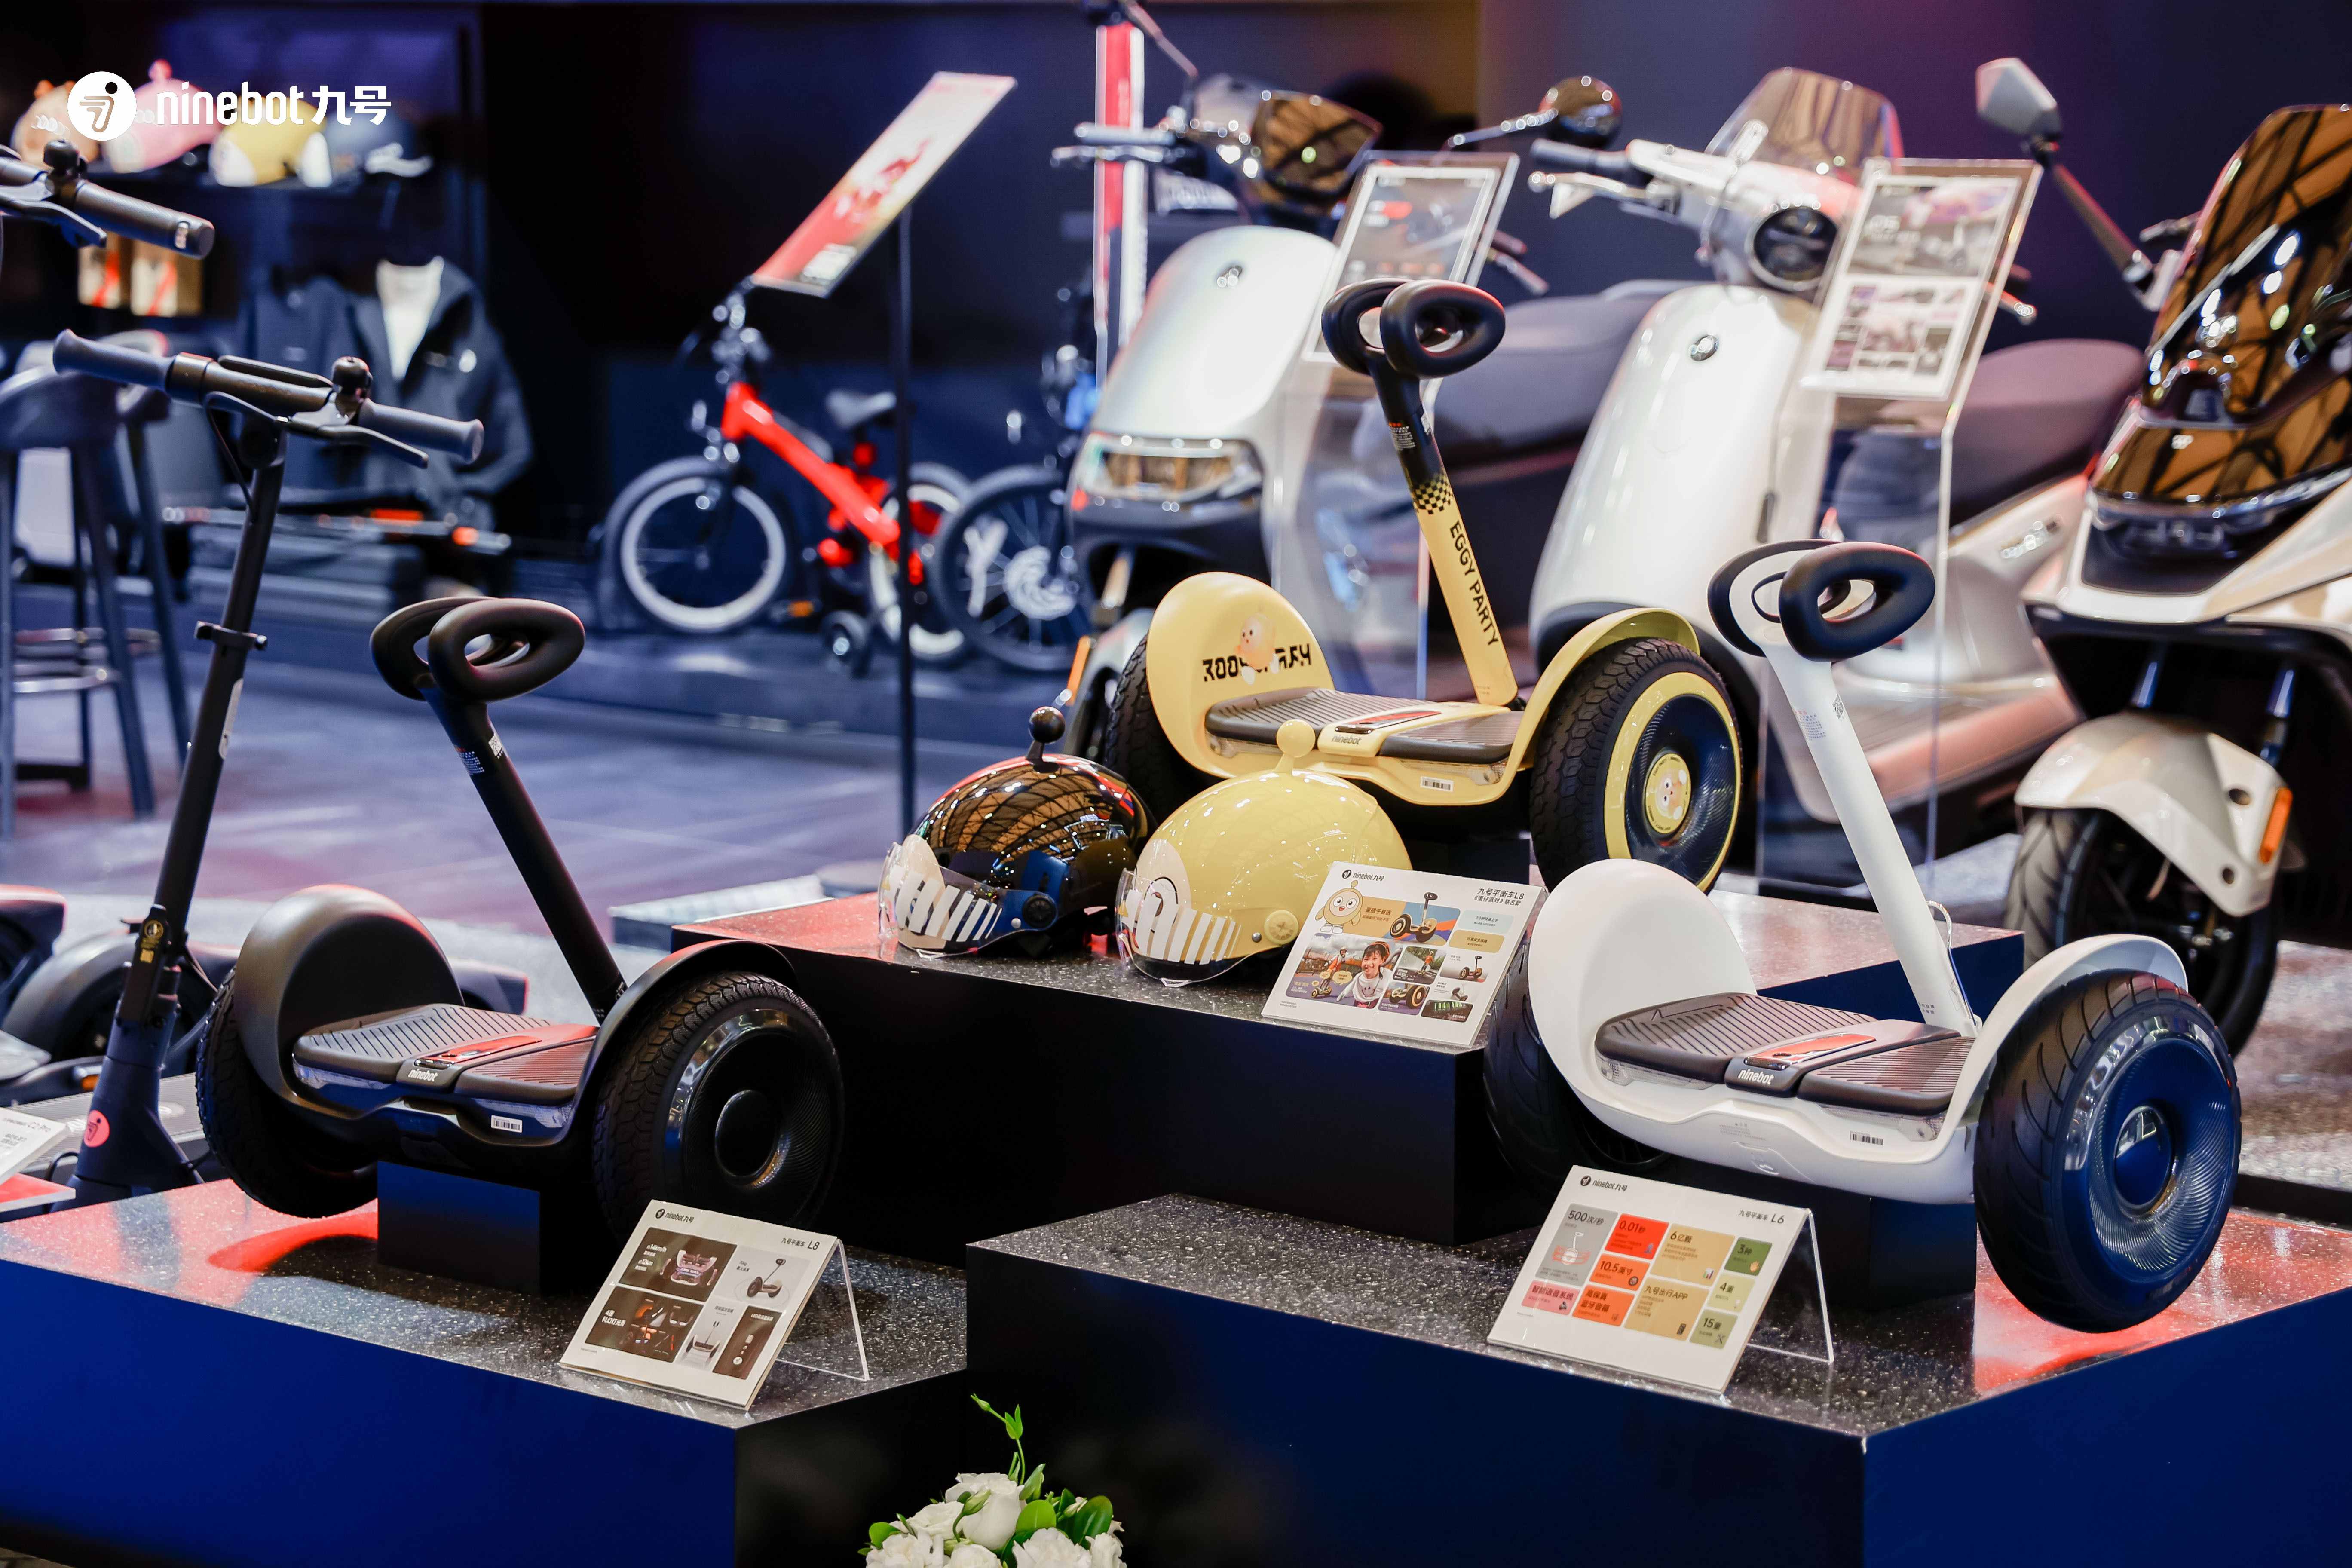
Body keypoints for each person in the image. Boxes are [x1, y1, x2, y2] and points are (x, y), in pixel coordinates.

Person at [1350, 942, 1390, 1006]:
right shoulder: (1360, 977)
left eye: (1375, 959)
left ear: (1382, 960)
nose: (1369, 963)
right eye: (1366, 959)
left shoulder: (1386, 975)